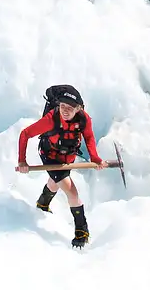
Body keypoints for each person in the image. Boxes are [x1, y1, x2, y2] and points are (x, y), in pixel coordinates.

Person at [16, 85, 106, 249]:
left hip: (67, 157)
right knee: (71, 190)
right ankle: (81, 230)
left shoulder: (83, 119)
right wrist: (22, 161)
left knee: (55, 182)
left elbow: (89, 137)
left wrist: (95, 158)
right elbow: (25, 134)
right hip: (50, 156)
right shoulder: (51, 119)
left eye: (70, 108)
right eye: (62, 106)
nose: (65, 111)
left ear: (78, 108)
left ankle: (43, 203)